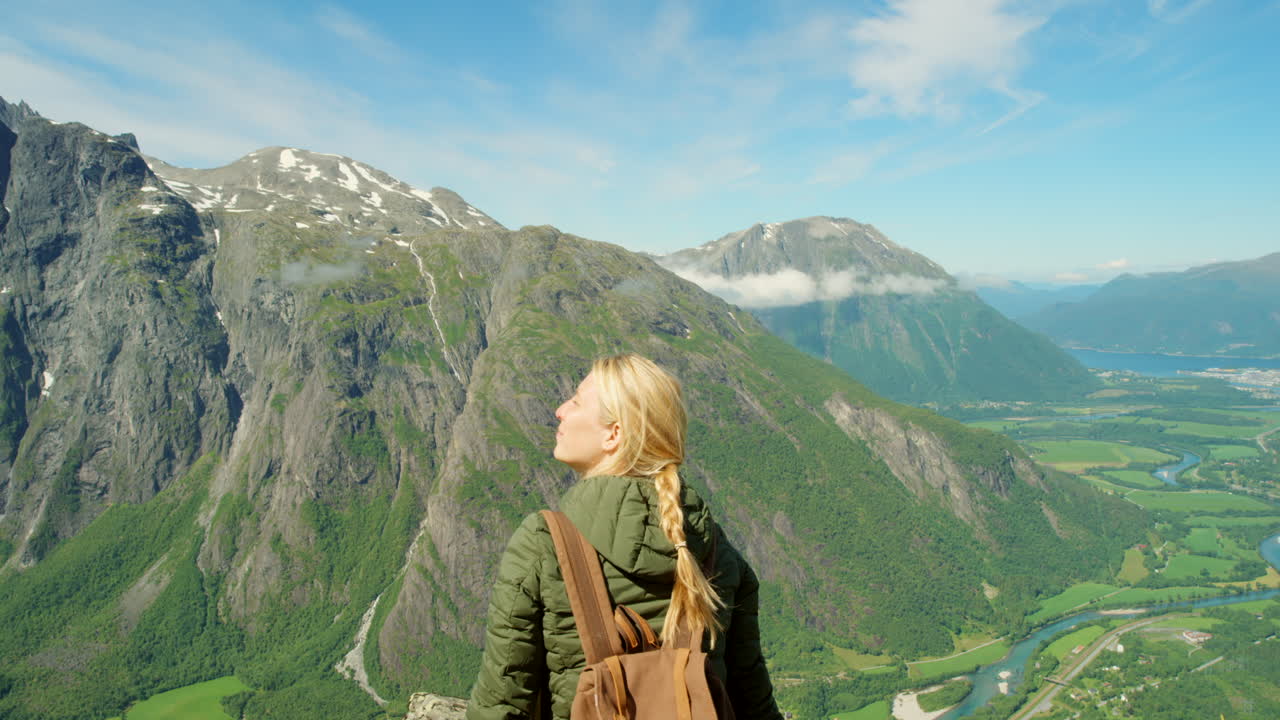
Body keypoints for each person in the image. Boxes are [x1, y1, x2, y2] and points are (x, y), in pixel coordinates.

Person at [466, 353, 783, 719]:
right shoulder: (712, 547)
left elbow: (503, 700)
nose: (559, 410)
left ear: (614, 434)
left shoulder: (544, 541)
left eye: (576, 401)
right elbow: (752, 698)